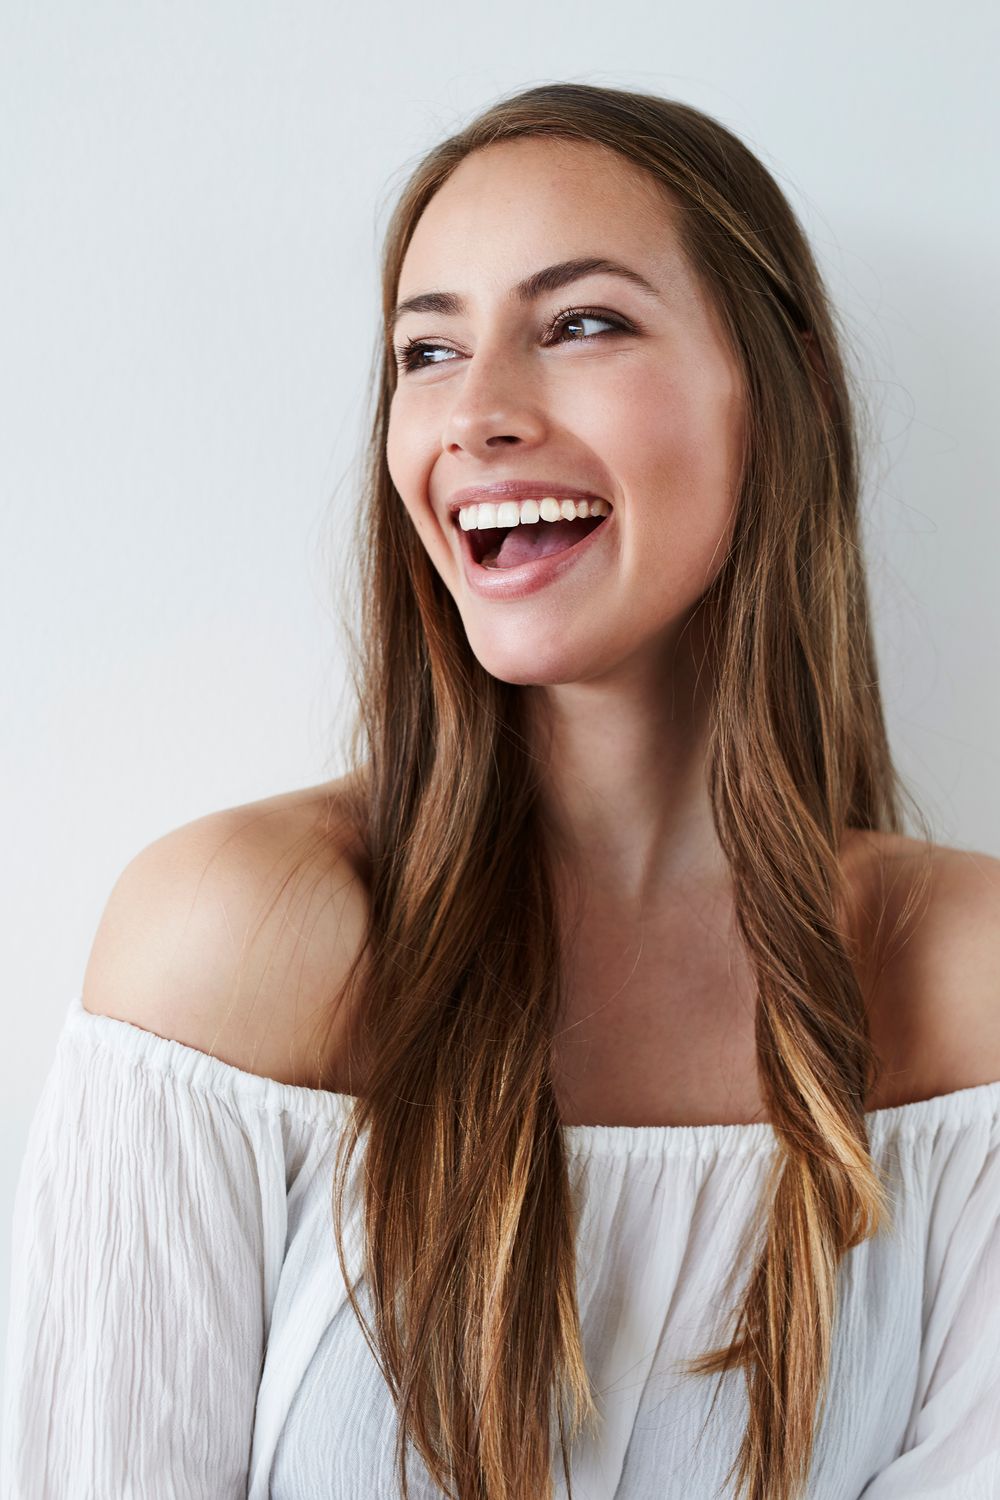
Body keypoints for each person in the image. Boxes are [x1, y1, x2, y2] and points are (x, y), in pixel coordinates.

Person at [2, 80, 999, 1500]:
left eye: (582, 324)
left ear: (778, 386)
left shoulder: (962, 981)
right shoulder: (239, 936)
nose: (474, 416)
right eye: (425, 350)